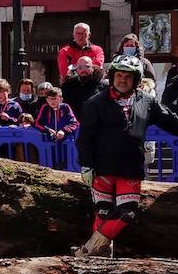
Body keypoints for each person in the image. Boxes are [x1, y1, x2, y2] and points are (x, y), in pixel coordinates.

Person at [76, 56, 178, 255]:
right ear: (113, 76)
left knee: (127, 212)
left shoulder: (146, 101)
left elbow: (171, 121)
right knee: (103, 211)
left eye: (127, 76)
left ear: (136, 79)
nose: (122, 80)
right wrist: (86, 165)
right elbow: (84, 138)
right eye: (119, 75)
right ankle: (100, 258)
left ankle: (89, 249)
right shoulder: (95, 102)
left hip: (130, 167)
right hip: (102, 166)